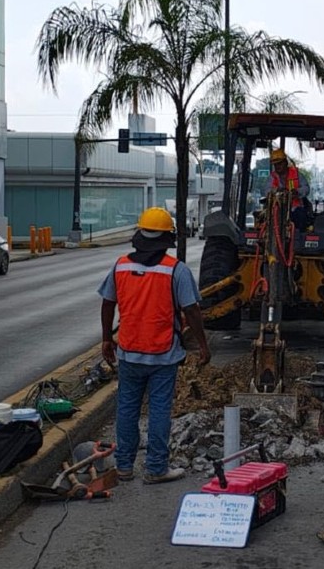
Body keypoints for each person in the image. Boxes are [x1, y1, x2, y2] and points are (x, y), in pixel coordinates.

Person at [99, 207, 210, 484]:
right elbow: (192, 310)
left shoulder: (121, 265)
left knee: (126, 408)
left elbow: (107, 303)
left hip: (129, 352)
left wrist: (106, 338)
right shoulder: (176, 270)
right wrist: (202, 345)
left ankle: (124, 466)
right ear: (166, 239)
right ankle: (156, 468)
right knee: (159, 410)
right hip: (163, 355)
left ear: (139, 235)